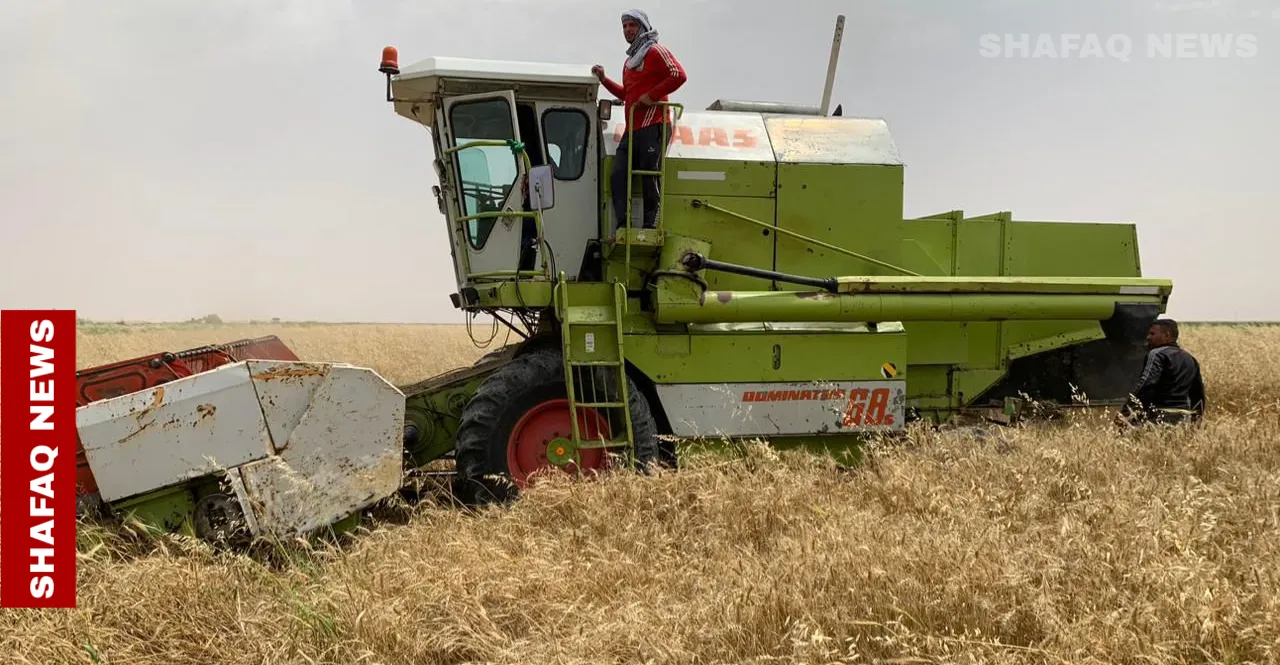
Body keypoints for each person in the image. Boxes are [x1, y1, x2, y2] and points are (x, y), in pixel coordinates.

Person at [592, 9, 687, 230]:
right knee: (618, 175)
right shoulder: (629, 62)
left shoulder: (655, 51)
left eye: (632, 25)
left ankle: (650, 224)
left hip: (654, 124)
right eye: (624, 26)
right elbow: (628, 95)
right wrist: (604, 79)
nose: (627, 30)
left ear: (642, 26)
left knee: (648, 174)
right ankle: (623, 224)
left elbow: (679, 75)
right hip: (632, 128)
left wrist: (652, 96)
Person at [1116, 319, 1206, 429]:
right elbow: (1198, 394)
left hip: (1160, 417)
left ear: (1166, 335)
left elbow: (1146, 383)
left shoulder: (1156, 354)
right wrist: (1196, 422)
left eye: (1152, 334)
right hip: (1183, 419)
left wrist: (1126, 412)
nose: (1148, 337)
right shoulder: (1190, 358)